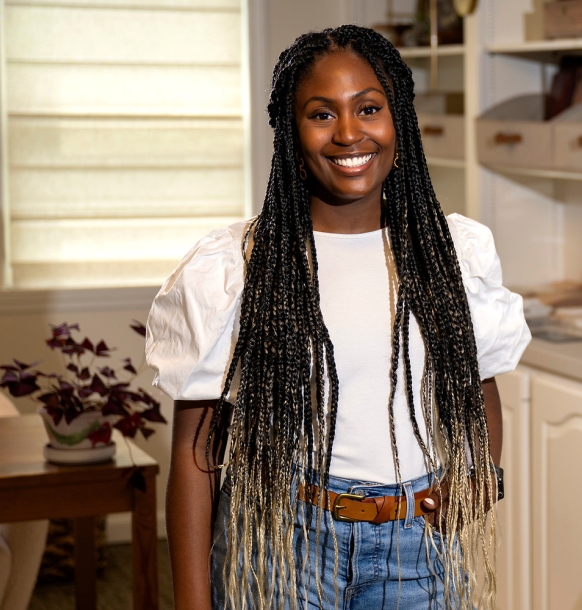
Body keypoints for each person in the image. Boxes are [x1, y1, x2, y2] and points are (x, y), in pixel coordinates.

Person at [145, 25, 530, 610]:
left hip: (417, 549)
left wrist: (480, 477)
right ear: (290, 133)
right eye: (321, 114)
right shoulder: (238, 268)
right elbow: (195, 457)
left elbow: (478, 386)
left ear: (397, 118)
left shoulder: (450, 253)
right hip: (282, 542)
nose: (349, 133)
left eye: (368, 109)